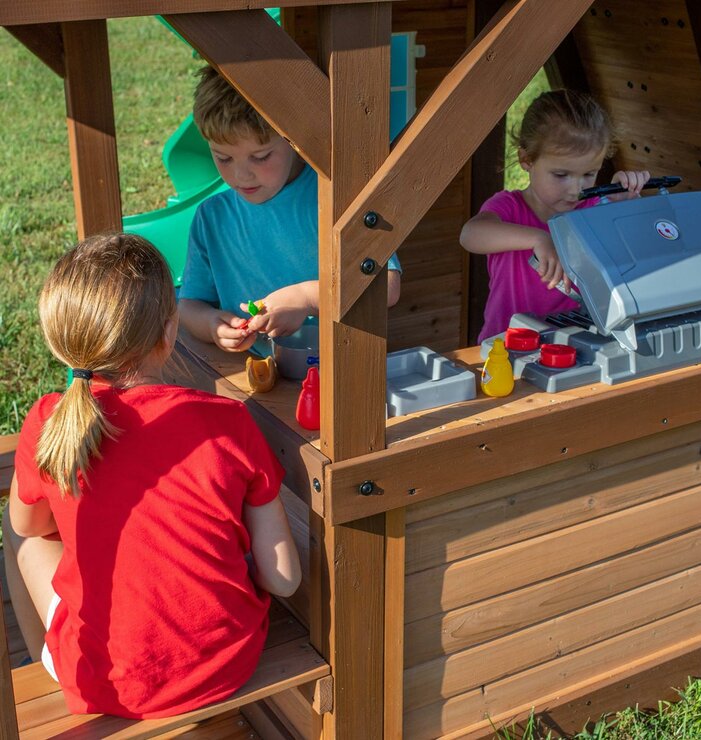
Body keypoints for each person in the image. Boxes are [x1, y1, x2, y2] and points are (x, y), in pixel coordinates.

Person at [1, 233, 301, 718]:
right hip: (226, 664)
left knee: (20, 535)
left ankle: (50, 661)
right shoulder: (226, 421)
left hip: (103, 686)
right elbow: (284, 580)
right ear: (169, 332)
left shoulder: (46, 421)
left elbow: (28, 527)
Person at [179, 66, 402, 355]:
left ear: (294, 140)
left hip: (342, 372)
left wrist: (307, 297)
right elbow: (189, 305)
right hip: (257, 377)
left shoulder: (333, 197)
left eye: (260, 157)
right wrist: (211, 325)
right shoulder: (212, 218)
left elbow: (387, 287)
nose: (241, 175)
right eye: (223, 158)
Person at [460, 89, 651, 342]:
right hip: (505, 347)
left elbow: (637, 257)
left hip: (575, 344)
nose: (576, 189)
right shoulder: (509, 207)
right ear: (526, 159)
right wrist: (539, 238)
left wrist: (623, 205)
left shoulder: (594, 209)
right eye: (561, 175)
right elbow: (470, 235)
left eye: (589, 174)